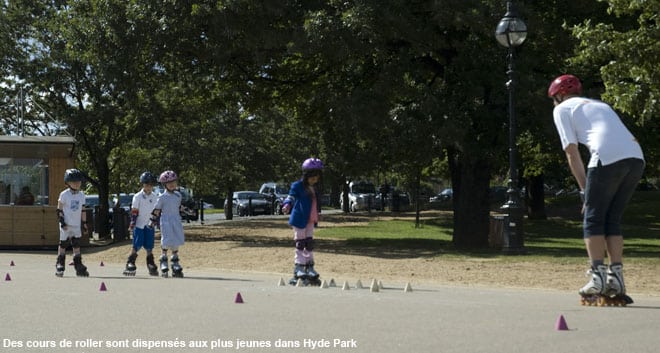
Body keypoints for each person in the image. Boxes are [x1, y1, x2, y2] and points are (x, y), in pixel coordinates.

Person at [548, 74, 644, 302]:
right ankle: (616, 277)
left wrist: (584, 192)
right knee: (612, 219)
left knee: (593, 218)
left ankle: (598, 276)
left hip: (606, 157)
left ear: (559, 96)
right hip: (636, 157)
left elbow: (572, 153)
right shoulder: (601, 104)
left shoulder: (562, 110)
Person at [281, 158, 323, 286]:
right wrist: (287, 205)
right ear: (306, 176)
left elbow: (315, 204)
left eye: (316, 178)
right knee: (300, 243)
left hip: (310, 219)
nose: (314, 180)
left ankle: (309, 267)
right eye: (312, 178)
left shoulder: (314, 188)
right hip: (299, 219)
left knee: (309, 243)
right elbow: (291, 196)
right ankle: (299, 267)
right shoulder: (297, 185)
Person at [150, 170, 185, 278]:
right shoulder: (162, 197)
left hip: (176, 219)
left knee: (176, 239)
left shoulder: (178, 195)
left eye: (173, 182)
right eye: (169, 183)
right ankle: (163, 260)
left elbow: (178, 207)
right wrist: (152, 221)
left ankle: (175, 262)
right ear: (164, 185)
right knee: (166, 239)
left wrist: (186, 210)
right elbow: (157, 210)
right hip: (166, 220)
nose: (172, 184)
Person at [123, 172, 159, 276]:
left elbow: (156, 211)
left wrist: (156, 221)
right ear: (143, 184)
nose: (148, 187)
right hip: (139, 224)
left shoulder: (155, 196)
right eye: (146, 184)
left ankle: (150, 264)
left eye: (151, 185)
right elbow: (134, 210)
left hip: (150, 225)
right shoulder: (137, 196)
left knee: (149, 246)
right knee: (137, 244)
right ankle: (130, 262)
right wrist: (132, 222)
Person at [55, 169, 89, 277]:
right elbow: (59, 209)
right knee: (63, 244)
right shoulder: (64, 195)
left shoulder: (82, 195)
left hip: (76, 225)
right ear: (68, 183)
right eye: (74, 182)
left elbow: (83, 210)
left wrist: (84, 223)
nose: (77, 184)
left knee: (76, 244)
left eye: (78, 182)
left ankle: (78, 265)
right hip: (66, 224)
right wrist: (61, 220)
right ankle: (60, 263)